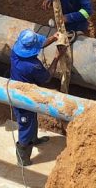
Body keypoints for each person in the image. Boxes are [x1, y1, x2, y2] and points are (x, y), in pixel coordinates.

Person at [10, 29, 60, 166]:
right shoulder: (33, 66)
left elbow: (37, 45)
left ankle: (34, 139)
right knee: (25, 125)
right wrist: (57, 57)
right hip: (23, 99)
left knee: (32, 119)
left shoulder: (14, 52)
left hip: (17, 90)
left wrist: (53, 38)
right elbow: (48, 77)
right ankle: (23, 159)